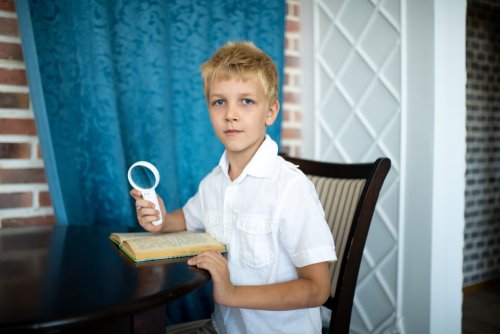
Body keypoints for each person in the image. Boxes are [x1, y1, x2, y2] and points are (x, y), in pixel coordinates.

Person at [130, 41, 336, 334]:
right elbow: (186, 219)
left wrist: (231, 293)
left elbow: (317, 289)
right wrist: (160, 218)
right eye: (219, 102)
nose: (231, 114)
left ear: (270, 112)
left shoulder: (290, 187)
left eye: (247, 101)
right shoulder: (214, 181)